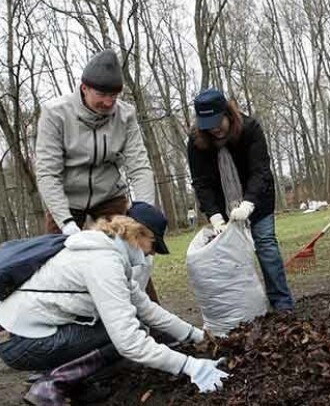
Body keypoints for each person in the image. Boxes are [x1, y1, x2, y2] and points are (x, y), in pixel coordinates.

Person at [0, 202, 228, 405]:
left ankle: (74, 385)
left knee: (128, 326)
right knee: (121, 335)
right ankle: (50, 386)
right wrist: (190, 366)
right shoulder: (103, 262)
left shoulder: (110, 252)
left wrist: (196, 335)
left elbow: (146, 308)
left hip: (32, 334)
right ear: (138, 233)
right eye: (153, 245)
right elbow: (128, 342)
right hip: (24, 343)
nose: (153, 254)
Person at [35, 49, 161, 302]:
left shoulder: (125, 115)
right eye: (101, 95)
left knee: (133, 255)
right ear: (84, 88)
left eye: (113, 96)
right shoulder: (55, 113)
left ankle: (151, 323)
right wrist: (66, 223)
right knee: (54, 265)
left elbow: (139, 166)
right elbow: (48, 173)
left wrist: (143, 212)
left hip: (109, 195)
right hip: (67, 199)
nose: (108, 102)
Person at [187, 88, 294, 312]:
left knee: (265, 245)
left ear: (228, 113)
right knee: (230, 256)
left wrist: (248, 203)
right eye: (209, 125)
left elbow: (261, 170)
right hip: (223, 205)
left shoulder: (250, 129)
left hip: (257, 199)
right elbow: (201, 182)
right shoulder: (197, 141)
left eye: (218, 122)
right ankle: (244, 307)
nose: (215, 129)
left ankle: (282, 303)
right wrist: (216, 217)